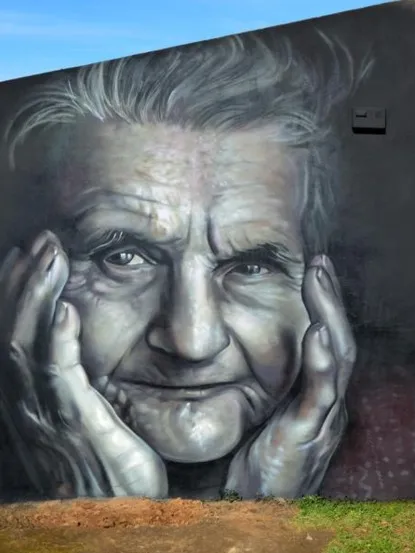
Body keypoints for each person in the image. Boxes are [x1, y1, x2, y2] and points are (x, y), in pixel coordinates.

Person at [0, 32, 371, 500]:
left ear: (321, 295)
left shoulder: (412, 459)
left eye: (251, 266)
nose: (193, 342)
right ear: (25, 280)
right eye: (124, 258)